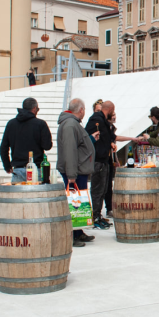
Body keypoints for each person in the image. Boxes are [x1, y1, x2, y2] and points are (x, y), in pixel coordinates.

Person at [57, 98, 97, 247]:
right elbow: (70, 151)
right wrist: (71, 175)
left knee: (79, 204)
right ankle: (73, 235)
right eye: (84, 110)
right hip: (75, 172)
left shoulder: (72, 123)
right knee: (74, 204)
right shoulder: (70, 125)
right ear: (81, 110)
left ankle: (79, 232)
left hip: (78, 170)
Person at [0, 98, 53, 184]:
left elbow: (3, 148)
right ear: (34, 108)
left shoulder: (11, 124)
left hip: (18, 169)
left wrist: (7, 166)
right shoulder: (40, 124)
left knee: (18, 196)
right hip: (36, 169)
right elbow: (47, 146)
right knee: (37, 196)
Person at [85, 101, 117, 229]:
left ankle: (98, 214)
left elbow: (107, 138)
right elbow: (86, 137)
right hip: (98, 160)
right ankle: (95, 216)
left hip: (104, 159)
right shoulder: (96, 120)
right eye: (113, 111)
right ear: (109, 109)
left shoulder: (104, 122)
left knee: (103, 189)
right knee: (97, 189)